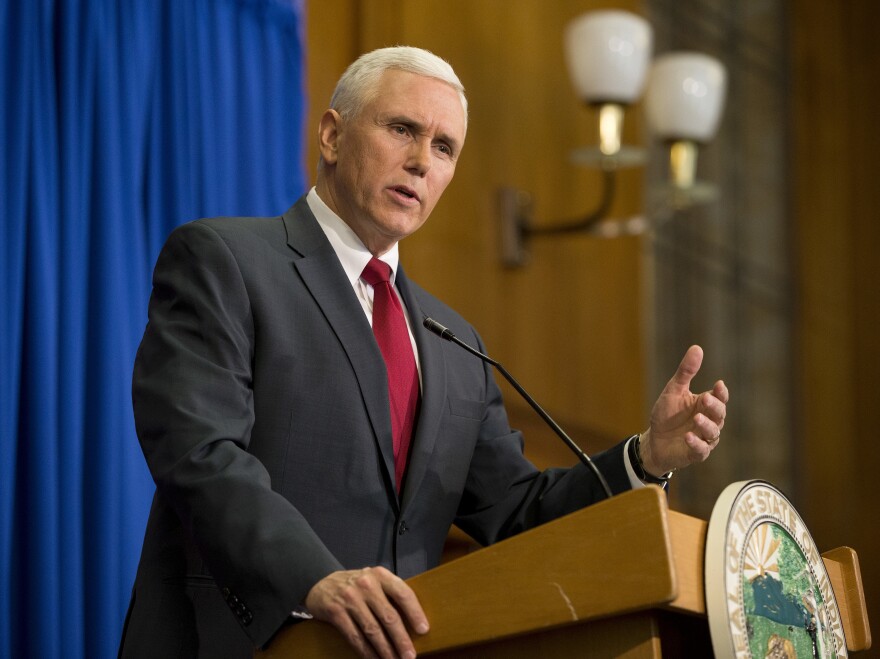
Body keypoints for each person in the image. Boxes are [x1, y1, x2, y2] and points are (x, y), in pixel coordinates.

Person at [118, 46, 728, 659]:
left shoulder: (454, 341)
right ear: (332, 135)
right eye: (401, 129)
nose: (419, 162)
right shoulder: (226, 261)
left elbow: (518, 514)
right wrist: (315, 577)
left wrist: (646, 458)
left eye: (443, 148)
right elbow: (200, 452)